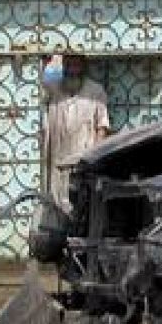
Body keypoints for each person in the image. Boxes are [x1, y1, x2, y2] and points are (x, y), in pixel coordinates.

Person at [41, 54, 111, 215]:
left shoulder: (95, 91)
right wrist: (46, 60)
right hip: (58, 159)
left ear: (83, 67)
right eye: (69, 65)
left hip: (82, 161)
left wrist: (95, 157)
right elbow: (38, 84)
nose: (72, 69)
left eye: (76, 65)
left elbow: (102, 126)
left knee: (81, 205)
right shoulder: (55, 88)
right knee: (56, 205)